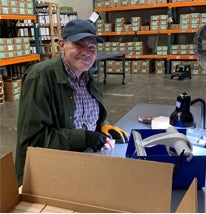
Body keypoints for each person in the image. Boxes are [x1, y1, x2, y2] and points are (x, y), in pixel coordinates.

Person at [15, 19, 128, 186]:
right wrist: (83, 138)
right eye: (78, 45)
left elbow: (87, 114)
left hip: (80, 165)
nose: (86, 52)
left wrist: (103, 125)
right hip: (46, 175)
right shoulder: (40, 77)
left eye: (92, 47)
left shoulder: (85, 76)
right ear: (62, 45)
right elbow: (33, 139)